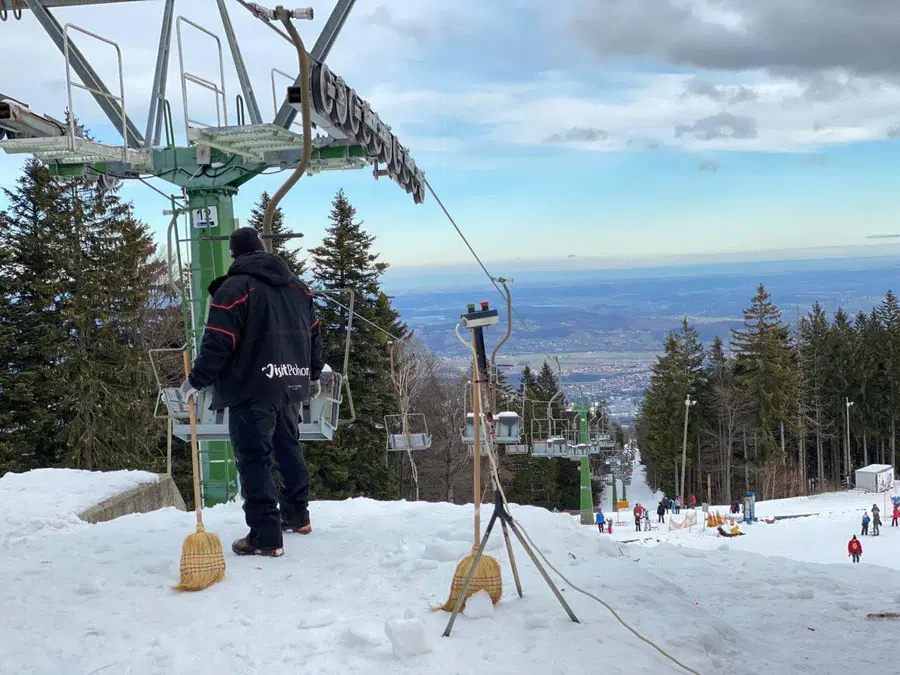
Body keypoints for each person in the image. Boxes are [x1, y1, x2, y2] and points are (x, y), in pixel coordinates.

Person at [182, 227, 323, 558]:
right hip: (290, 381)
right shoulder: (299, 288)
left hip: (251, 385)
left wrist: (196, 380)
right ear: (262, 249)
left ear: (234, 255)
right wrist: (313, 373)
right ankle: (297, 515)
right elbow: (314, 335)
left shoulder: (234, 289)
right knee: (288, 446)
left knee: (254, 458)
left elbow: (219, 341)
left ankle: (265, 535)